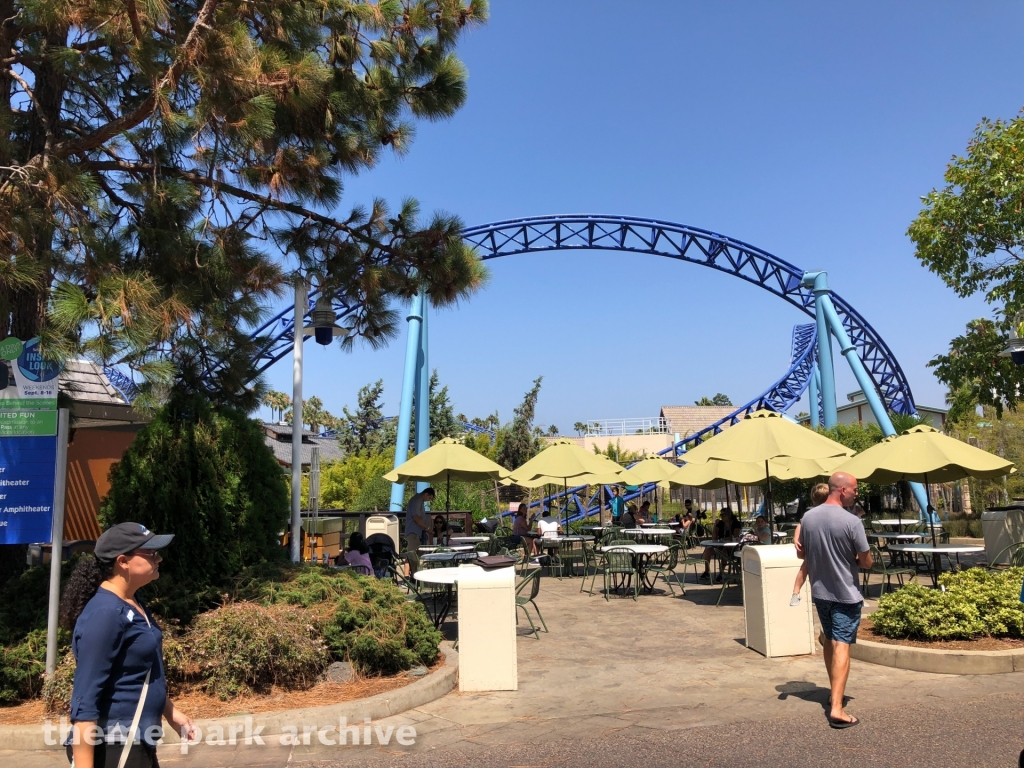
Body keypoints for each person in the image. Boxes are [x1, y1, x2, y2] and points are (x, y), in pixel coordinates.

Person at [60, 522, 197, 768]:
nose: (160, 559)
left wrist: (171, 713)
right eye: (151, 553)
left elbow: (138, 672)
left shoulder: (132, 602)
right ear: (123, 561)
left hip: (137, 740)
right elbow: (85, 699)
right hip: (113, 746)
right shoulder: (105, 614)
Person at [796, 472, 872, 729]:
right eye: (855, 489)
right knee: (841, 645)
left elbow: (802, 554)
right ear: (842, 490)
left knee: (830, 640)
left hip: (820, 592)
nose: (857, 493)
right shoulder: (852, 522)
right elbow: (865, 560)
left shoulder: (808, 517)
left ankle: (834, 693)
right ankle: (837, 709)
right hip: (845, 593)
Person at [791, 483, 844, 604]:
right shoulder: (830, 512)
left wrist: (796, 539)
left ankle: (796, 591)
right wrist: (796, 538)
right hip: (824, 545)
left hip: (815, 546)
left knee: (805, 567)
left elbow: (800, 525)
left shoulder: (809, 514)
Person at [700, 508, 741, 582]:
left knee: (724, 552)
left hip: (732, 548)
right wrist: (715, 526)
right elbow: (714, 538)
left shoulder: (736, 523)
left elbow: (735, 535)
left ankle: (721, 574)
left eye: (723, 515)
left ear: (729, 515)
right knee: (708, 550)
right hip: (720, 545)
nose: (722, 516)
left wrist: (726, 538)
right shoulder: (721, 523)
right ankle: (707, 572)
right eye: (721, 515)